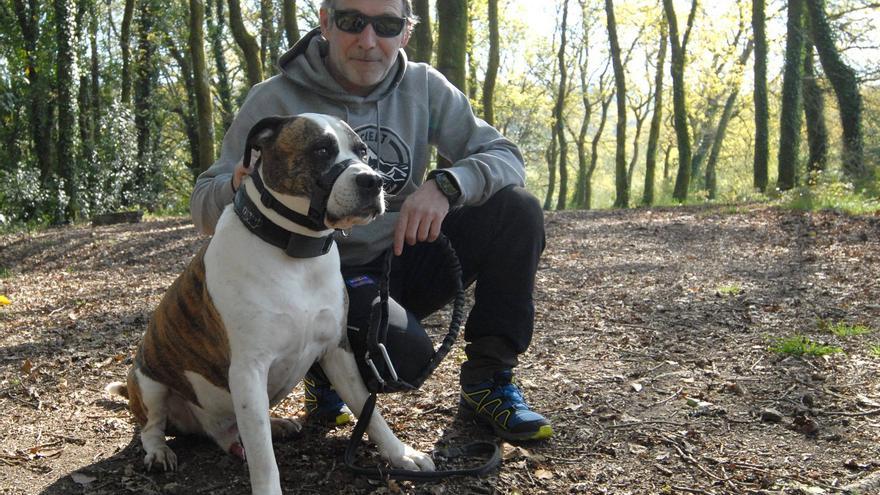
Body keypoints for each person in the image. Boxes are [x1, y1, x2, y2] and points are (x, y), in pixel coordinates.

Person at [190, 0, 552, 441]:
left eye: (386, 25)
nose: (368, 40)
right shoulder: (275, 100)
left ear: (405, 32)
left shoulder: (424, 87)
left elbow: (507, 157)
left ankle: (488, 381)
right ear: (325, 23)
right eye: (351, 21)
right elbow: (204, 205)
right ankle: (322, 369)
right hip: (319, 275)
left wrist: (446, 185)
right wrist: (239, 184)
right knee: (400, 360)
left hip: (404, 252)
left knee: (517, 208)